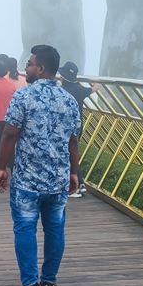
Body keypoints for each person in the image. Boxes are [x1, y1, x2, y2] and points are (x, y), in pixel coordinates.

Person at [0, 45, 80, 286]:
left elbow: (10, 133)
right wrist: (74, 173)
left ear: (41, 68)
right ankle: (49, 281)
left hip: (27, 181)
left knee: (25, 229)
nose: (26, 68)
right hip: (58, 179)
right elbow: (73, 140)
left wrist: (1, 167)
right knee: (55, 229)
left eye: (30, 64)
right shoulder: (69, 100)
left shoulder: (24, 97)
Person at [58, 61, 98, 198]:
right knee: (72, 154)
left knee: (67, 156)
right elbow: (95, 88)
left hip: (63, 128)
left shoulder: (62, 90)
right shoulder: (80, 90)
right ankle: (80, 184)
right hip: (77, 127)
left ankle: (75, 186)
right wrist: (92, 83)